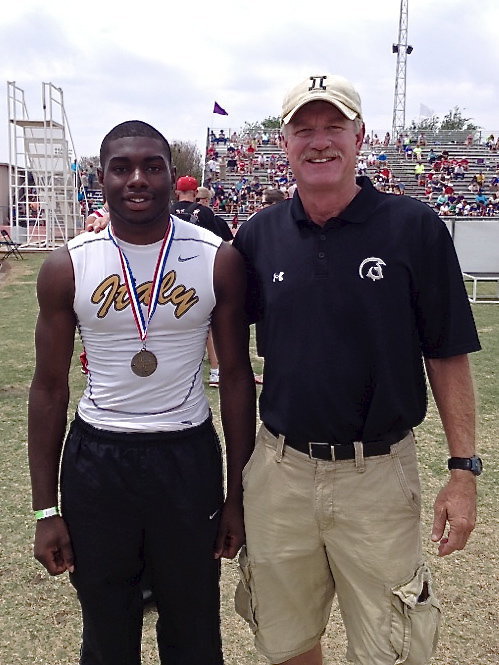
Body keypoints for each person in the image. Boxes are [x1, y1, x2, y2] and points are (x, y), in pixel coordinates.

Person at [232, 73, 481, 665]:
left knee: (391, 647)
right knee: (287, 638)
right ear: (283, 142)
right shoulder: (257, 237)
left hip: (378, 475)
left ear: (360, 135)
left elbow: (447, 353)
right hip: (281, 471)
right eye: (303, 128)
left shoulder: (413, 228)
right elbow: (226, 348)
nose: (319, 141)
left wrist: (463, 470)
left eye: (334, 126)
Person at [28, 120, 256, 665]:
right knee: (107, 629)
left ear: (171, 176)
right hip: (99, 460)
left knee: (193, 626)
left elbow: (238, 378)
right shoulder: (69, 265)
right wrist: (44, 510)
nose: (137, 179)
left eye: (152, 167)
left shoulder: (215, 257)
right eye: (122, 167)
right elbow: (48, 389)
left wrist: (236, 498)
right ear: (100, 177)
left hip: (185, 456)